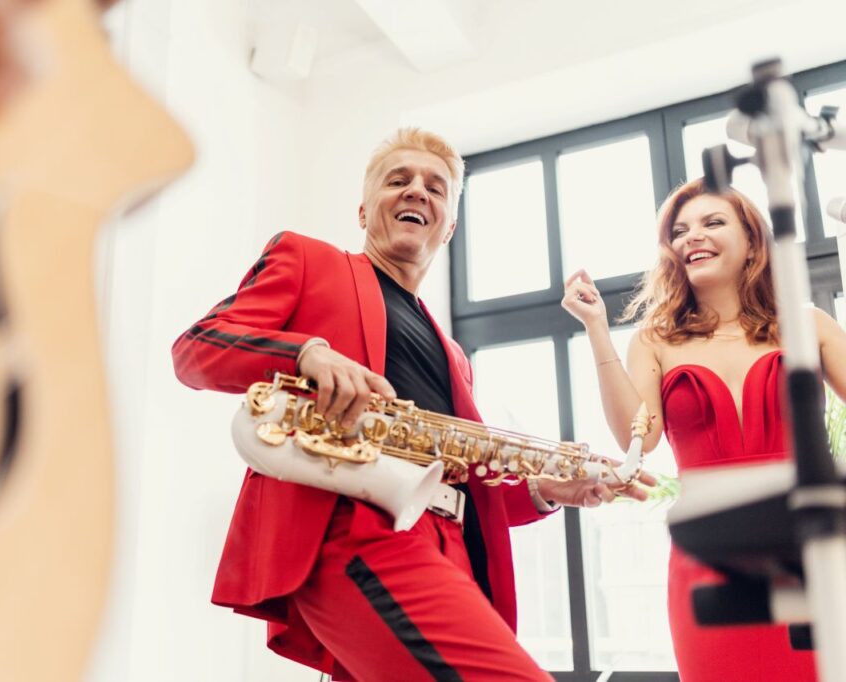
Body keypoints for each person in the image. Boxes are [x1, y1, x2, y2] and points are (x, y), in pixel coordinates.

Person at [173, 128, 652, 681]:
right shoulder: (305, 259)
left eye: (436, 188)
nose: (417, 192)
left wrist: (545, 491)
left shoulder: (455, 356)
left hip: (450, 547)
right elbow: (197, 347)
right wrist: (307, 353)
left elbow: (467, 476)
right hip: (358, 530)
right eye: (397, 181)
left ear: (449, 226)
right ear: (362, 211)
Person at [561, 177, 846, 681]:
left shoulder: (809, 324)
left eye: (713, 223)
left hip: (807, 548)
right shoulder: (655, 340)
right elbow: (638, 439)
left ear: (753, 241)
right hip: (705, 558)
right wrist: (596, 328)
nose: (692, 236)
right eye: (680, 231)